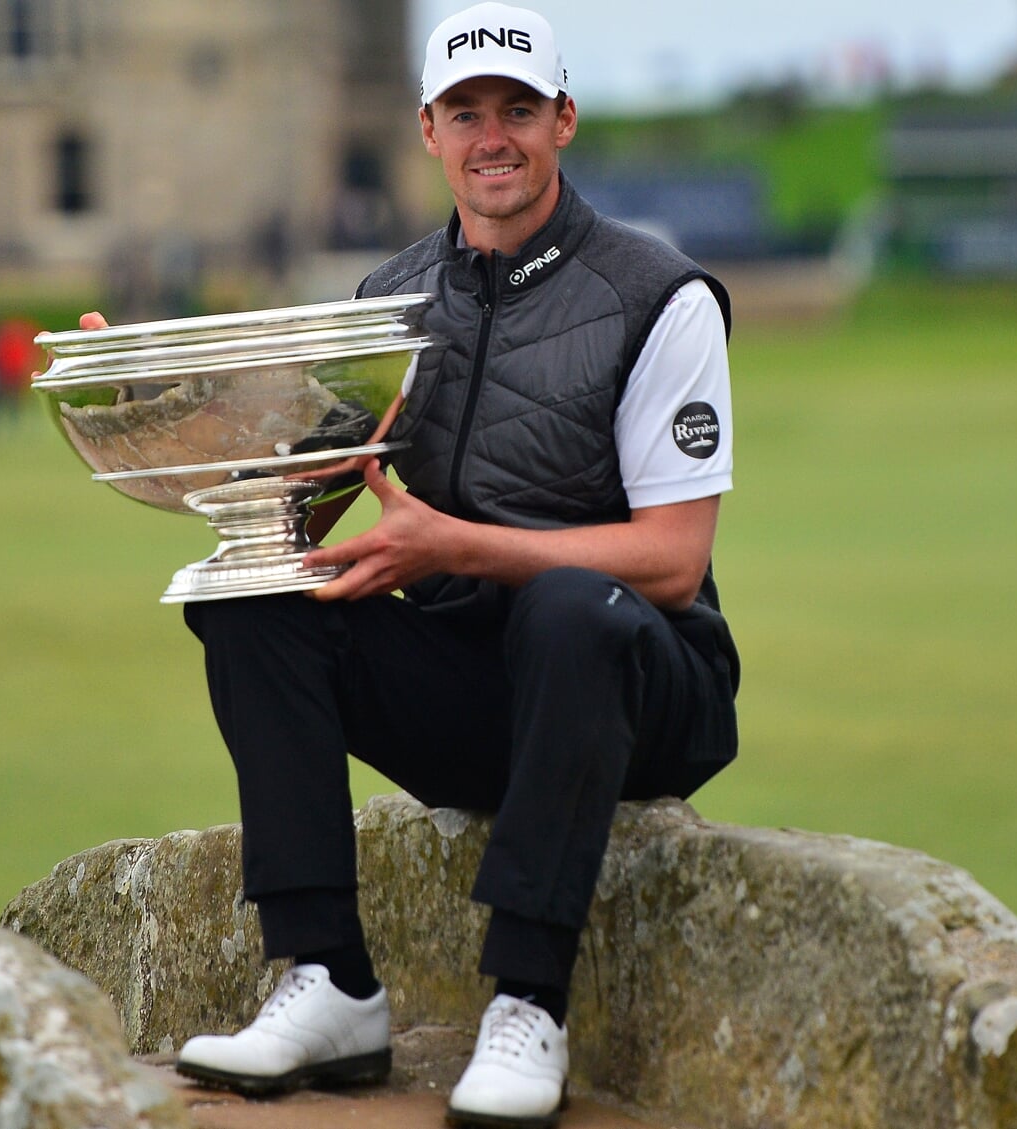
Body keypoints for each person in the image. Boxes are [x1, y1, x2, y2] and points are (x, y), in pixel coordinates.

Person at [83, 6, 741, 1126]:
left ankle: (527, 1000)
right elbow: (294, 500)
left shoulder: (658, 295)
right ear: (427, 130)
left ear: (563, 121)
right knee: (253, 601)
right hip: (469, 699)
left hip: (634, 691)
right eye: (467, 112)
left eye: (519, 111)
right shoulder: (385, 307)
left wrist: (453, 545)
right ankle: (326, 978)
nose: (495, 136)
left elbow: (672, 564)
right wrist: (152, 404)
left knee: (572, 610)